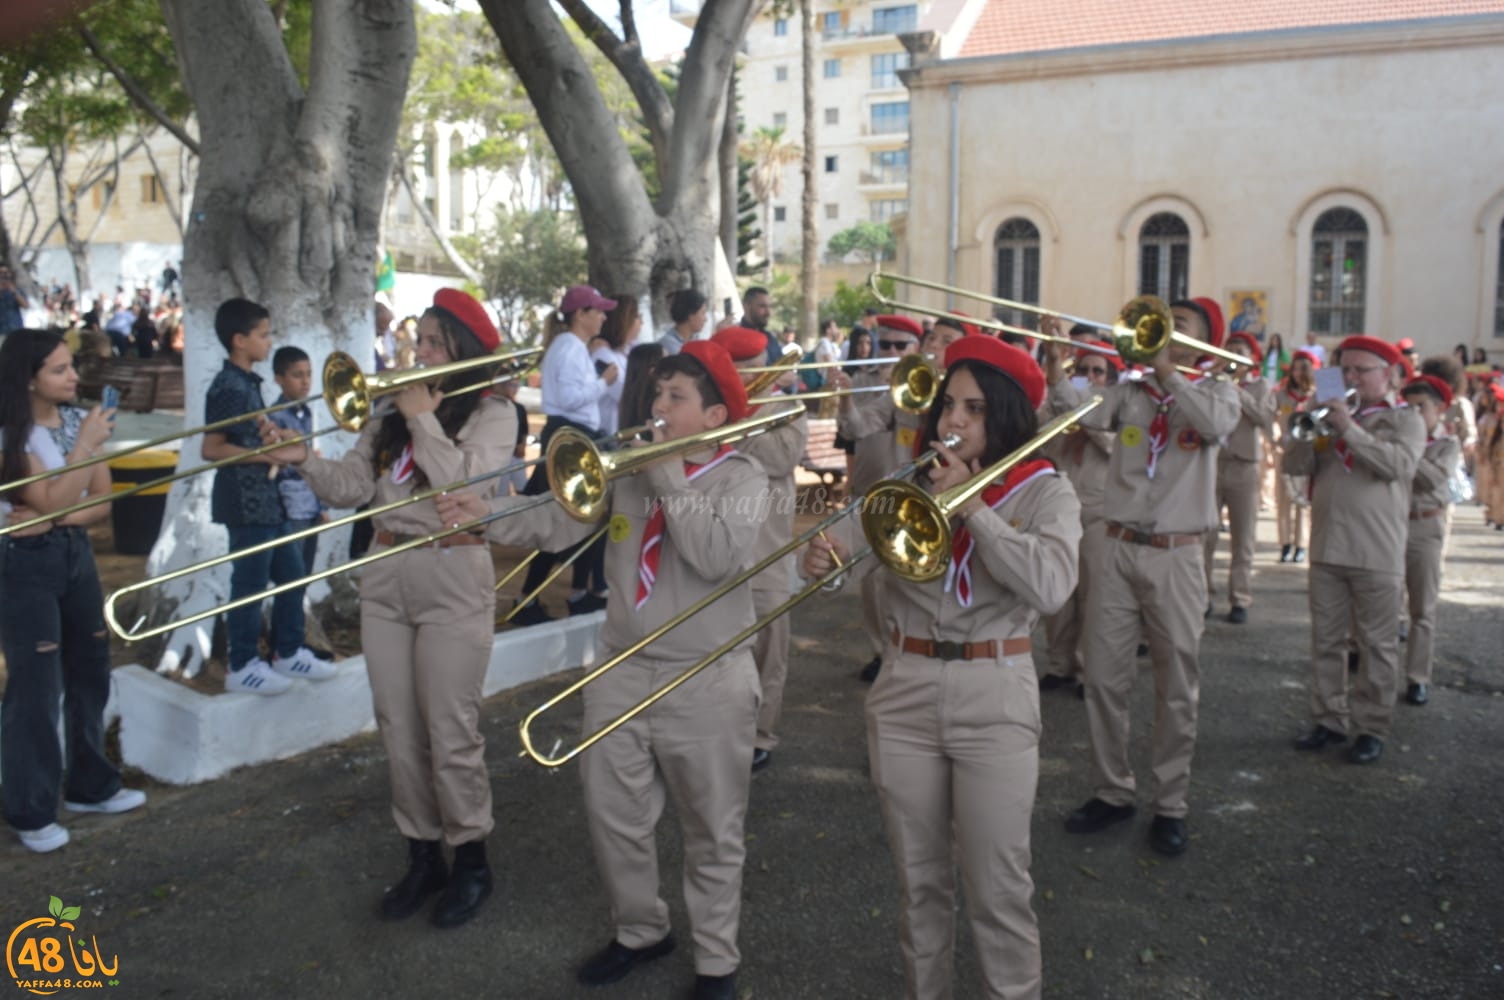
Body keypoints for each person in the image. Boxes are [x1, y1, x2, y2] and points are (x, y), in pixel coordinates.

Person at [436, 341, 767, 1000]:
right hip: (621, 666)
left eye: (676, 397)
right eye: (658, 393)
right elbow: (560, 523)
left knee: (711, 828)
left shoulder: (744, 479)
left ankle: (716, 960)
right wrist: (491, 515)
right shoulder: (630, 470)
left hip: (706, 677)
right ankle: (641, 931)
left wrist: (669, 473)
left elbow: (716, 556)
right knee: (613, 812)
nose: (658, 407)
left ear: (713, 413)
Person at [804, 334, 1079, 1000]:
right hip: (905, 689)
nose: (953, 421)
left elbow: (1050, 586)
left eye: (975, 409)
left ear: (1008, 416)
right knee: (919, 884)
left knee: (997, 887)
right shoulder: (909, 481)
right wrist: (825, 560)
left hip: (995, 692)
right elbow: (853, 550)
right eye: (949, 404)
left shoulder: (1046, 492)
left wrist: (975, 507)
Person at [266, 288, 515, 928]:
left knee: (449, 729)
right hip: (385, 569)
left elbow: (464, 486)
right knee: (398, 727)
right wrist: (304, 460)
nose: (420, 352)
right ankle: (422, 854)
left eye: (435, 343)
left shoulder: (494, 414)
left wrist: (424, 418)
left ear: (461, 355)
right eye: (419, 340)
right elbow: (353, 487)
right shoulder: (385, 416)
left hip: (452, 571)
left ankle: (471, 859)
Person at [1048, 297, 1239, 856]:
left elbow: (1213, 426)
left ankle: (1171, 802)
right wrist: (1058, 362)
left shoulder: (1218, 391)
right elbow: (1078, 413)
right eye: (1160, 325)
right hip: (1117, 546)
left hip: (1177, 555)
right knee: (1105, 679)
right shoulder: (1129, 392)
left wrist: (1168, 373)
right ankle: (1112, 790)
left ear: (1205, 340)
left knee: (1175, 682)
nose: (1159, 333)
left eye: (1177, 327)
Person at [1, 330, 146, 854]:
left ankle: (90, 785)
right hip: (24, 567)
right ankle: (31, 808)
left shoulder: (71, 422)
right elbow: (51, 495)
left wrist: (57, 516)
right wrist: (82, 453)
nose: (74, 378)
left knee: (90, 667)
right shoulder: (13, 436)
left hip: (73, 555)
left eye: (71, 367)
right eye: (60, 370)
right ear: (28, 379)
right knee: (36, 689)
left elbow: (99, 502)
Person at [1285, 335, 1425, 765]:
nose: (1350, 378)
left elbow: (1398, 467)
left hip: (1377, 550)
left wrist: (1349, 427)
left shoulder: (1407, 420)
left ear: (1388, 375)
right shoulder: (1328, 415)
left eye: (1361, 371)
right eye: (1345, 370)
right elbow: (1294, 467)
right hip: (1328, 544)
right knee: (1326, 642)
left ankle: (1372, 726)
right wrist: (1306, 429)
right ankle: (1329, 719)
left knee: (1377, 645)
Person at [201, 298, 334, 695]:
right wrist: (262, 454)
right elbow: (211, 449)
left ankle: (288, 651)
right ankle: (241, 664)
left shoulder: (248, 384)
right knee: (250, 584)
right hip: (244, 501)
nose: (269, 340)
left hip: (267, 498)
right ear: (239, 340)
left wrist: (277, 440)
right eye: (263, 334)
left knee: (292, 576)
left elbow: (252, 436)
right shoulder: (226, 386)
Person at [713, 326, 808, 773]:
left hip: (767, 550)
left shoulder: (788, 407)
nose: (744, 379)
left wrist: (739, 417)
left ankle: (760, 735)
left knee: (769, 648)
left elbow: (780, 459)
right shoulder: (709, 408)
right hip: (715, 547)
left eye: (749, 372)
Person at [511, 285, 620, 625]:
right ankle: (541, 596)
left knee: (574, 519)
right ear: (581, 315)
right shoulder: (571, 348)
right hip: (571, 434)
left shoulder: (569, 346)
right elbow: (574, 398)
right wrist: (604, 381)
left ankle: (560, 594)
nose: (603, 317)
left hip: (569, 433)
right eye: (598, 311)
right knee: (572, 519)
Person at [827, 315, 923, 683]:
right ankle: (882, 652)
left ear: (916, 349)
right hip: (872, 493)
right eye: (887, 345)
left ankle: (905, 653)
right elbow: (853, 429)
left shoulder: (927, 388)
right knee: (872, 587)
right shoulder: (870, 383)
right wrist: (846, 399)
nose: (893, 352)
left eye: (902, 346)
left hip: (912, 501)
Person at [1039, 339, 1121, 694]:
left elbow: (1116, 448)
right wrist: (1063, 412)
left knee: (1094, 595)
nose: (1088, 376)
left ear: (1109, 378)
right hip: (1060, 507)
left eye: (1097, 371)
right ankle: (1059, 664)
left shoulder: (1120, 409)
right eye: (1082, 370)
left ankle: (1089, 670)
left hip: (1100, 510)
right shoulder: (1059, 405)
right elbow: (1039, 442)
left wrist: (1085, 416)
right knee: (1058, 593)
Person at [567, 294, 643, 616]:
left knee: (605, 523)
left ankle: (597, 584)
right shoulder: (602, 353)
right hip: (603, 442)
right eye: (636, 317)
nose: (640, 324)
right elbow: (621, 393)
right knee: (592, 522)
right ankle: (582, 588)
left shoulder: (618, 354)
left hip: (614, 442)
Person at [1203, 332, 1275, 623]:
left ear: (1251, 359)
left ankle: (1240, 598)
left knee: (1242, 537)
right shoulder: (1213, 381)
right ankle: (1203, 594)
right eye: (1228, 351)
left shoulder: (1260, 387)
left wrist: (1237, 391)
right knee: (1205, 534)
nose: (1233, 357)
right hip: (1213, 462)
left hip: (1244, 465)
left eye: (1239, 352)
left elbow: (1264, 419)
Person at [1399, 375, 1460, 707]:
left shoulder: (1447, 444)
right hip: (1391, 525)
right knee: (1379, 604)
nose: (1413, 413)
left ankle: (1417, 677)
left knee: (1422, 608)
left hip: (1425, 526)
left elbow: (1433, 480)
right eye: (1407, 406)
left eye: (1420, 407)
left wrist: (1405, 450)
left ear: (1439, 409)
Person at [267, 346, 325, 575]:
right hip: (290, 506)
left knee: (305, 573)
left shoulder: (308, 413)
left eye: (309, 374)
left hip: (311, 503)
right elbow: (276, 462)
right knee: (291, 574)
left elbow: (314, 462)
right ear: (279, 379)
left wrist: (322, 504)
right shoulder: (275, 417)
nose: (306, 382)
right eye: (297, 375)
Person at [1274, 349, 1320, 562]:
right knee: (1283, 500)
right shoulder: (1282, 394)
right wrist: (1276, 435)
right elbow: (1270, 416)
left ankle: (1301, 545)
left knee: (1303, 502)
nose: (1298, 373)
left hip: (1306, 453)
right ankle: (1284, 543)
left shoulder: (1314, 397)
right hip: (1285, 452)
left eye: (1303, 369)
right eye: (1295, 369)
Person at [495, 377, 530, 495]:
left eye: (516, 386)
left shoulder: (520, 408)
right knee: (502, 492)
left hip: (516, 453)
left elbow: (524, 430)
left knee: (522, 487)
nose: (514, 389)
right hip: (501, 454)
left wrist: (523, 446)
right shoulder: (496, 407)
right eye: (511, 385)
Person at [660, 289, 708, 356]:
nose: (706, 319)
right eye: (703, 313)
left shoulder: (696, 339)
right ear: (690, 315)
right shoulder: (669, 345)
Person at [739, 286, 777, 364]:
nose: (768, 313)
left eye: (770, 307)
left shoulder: (770, 337)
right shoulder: (735, 337)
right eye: (762, 306)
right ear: (746, 306)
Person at [0, 266, 31, 336]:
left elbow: (26, 306)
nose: (3, 275)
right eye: (0, 273)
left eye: (5, 273)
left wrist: (13, 291)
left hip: (17, 329)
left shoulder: (18, 290)